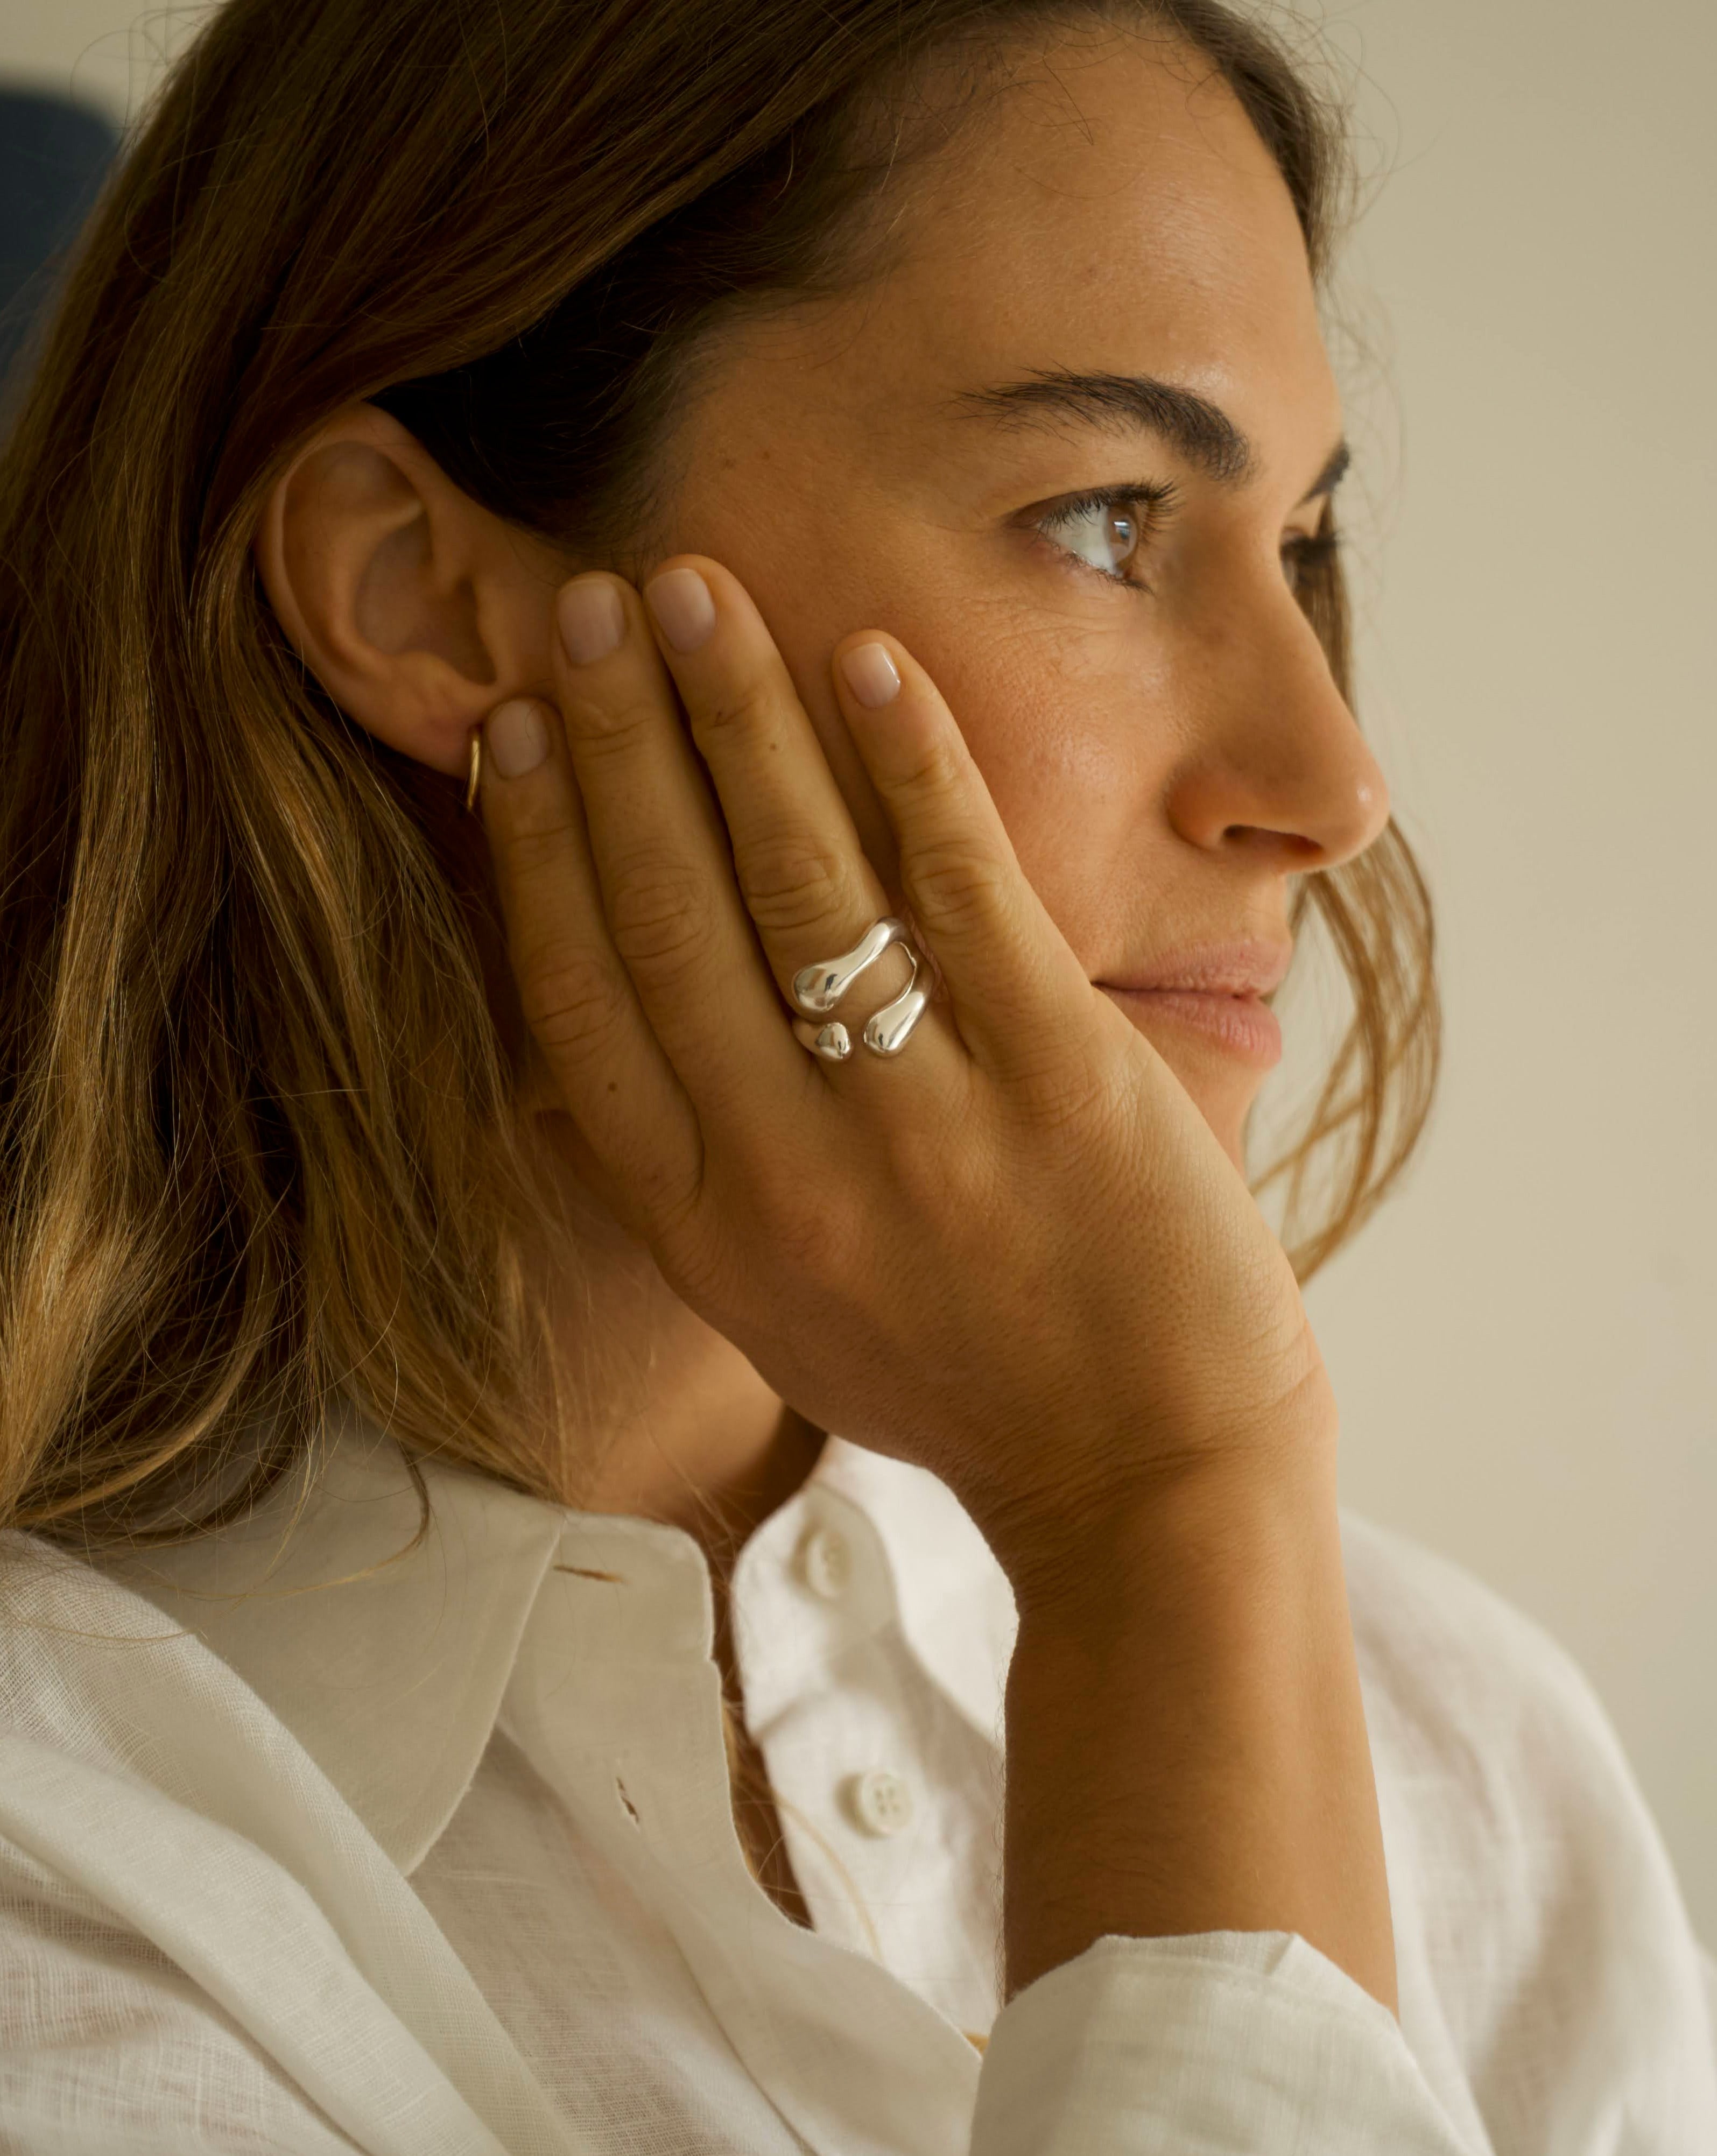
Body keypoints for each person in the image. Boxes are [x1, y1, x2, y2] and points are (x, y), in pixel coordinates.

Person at [0, 0, 1711, 2147]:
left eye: (1304, 543)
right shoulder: (68, 1861)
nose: (1329, 783)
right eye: (1105, 518)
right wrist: (1162, 1526)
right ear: (423, 594)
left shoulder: (1469, 1766)